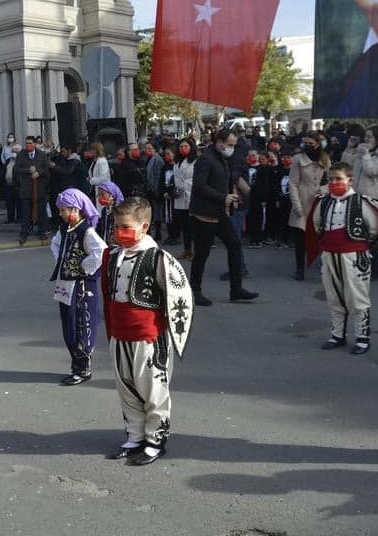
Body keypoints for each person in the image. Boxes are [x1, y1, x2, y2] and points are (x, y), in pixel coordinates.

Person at [100, 197, 194, 466]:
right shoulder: (113, 256)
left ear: (144, 226)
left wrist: (170, 336)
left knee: (153, 390)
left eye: (126, 227)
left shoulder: (159, 259)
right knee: (127, 389)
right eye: (117, 226)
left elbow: (179, 297)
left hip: (149, 336)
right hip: (120, 334)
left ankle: (155, 440)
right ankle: (135, 436)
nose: (119, 232)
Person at [305, 162, 378, 354]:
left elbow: (374, 228)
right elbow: (317, 225)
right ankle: (337, 335)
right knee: (334, 295)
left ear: (350, 180)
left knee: (358, 296)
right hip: (330, 254)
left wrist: (360, 246)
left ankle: (362, 337)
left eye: (339, 179)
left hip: (354, 255)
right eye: (331, 179)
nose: (334, 183)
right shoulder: (324, 202)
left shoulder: (362, 201)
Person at [188, 129, 259, 306]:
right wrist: (223, 197)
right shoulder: (206, 159)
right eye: (229, 145)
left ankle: (236, 289)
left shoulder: (222, 158)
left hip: (220, 212)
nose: (232, 148)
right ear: (219, 142)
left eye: (234, 145)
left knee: (235, 245)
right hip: (204, 214)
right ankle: (194, 291)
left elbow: (227, 180)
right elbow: (199, 186)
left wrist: (234, 195)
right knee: (202, 254)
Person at [49, 189, 108, 386]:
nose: (61, 213)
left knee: (81, 325)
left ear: (75, 208)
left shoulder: (87, 231)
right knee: (68, 324)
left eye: (63, 209)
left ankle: (83, 368)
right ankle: (77, 365)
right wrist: (63, 261)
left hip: (81, 286)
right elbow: (55, 245)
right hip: (66, 283)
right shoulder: (65, 228)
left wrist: (83, 266)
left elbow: (101, 251)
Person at [289, 132, 331, 280]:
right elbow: (293, 184)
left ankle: (324, 267)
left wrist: (324, 190)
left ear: (318, 144)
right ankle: (299, 269)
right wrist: (297, 206)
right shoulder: (297, 159)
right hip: (302, 199)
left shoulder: (325, 159)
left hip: (319, 201)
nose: (307, 146)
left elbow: (329, 181)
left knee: (321, 237)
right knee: (300, 238)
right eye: (304, 143)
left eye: (310, 144)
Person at [15, 136, 51, 245]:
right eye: (26, 143)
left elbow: (46, 169)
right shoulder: (21, 154)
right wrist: (28, 170)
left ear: (35, 144)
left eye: (30, 143)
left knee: (41, 212)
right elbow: (16, 168)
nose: (28, 145)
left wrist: (38, 173)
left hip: (39, 189)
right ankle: (24, 233)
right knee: (25, 213)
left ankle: (42, 232)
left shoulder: (42, 155)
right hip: (26, 189)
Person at [172, 138, 196, 259]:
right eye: (181, 147)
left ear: (191, 147)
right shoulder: (177, 161)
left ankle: (196, 251)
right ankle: (187, 250)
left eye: (186, 146)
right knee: (184, 226)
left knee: (193, 226)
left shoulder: (195, 161)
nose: (183, 149)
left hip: (191, 194)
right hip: (180, 195)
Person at [96, 181, 124, 246]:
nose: (99, 197)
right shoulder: (104, 211)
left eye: (102, 194)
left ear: (112, 195)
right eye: (98, 195)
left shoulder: (119, 211)